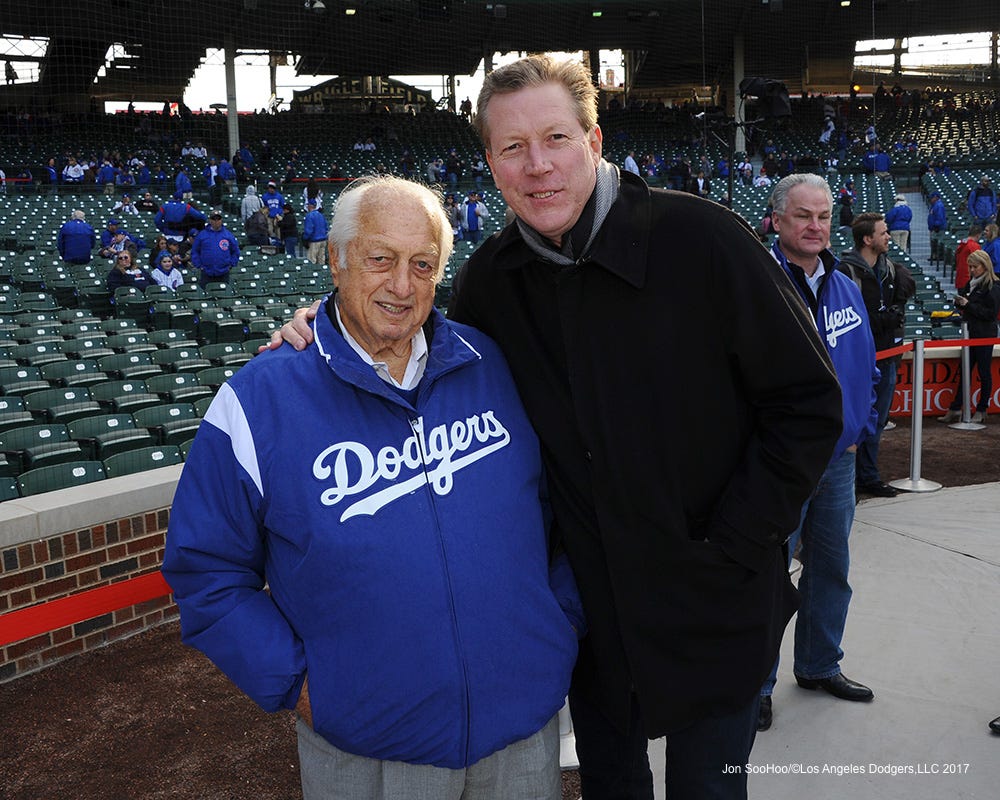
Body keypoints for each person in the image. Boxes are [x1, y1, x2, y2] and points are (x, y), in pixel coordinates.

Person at [267, 54, 843, 800]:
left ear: (594, 142)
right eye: (513, 148)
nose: (537, 166)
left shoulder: (704, 239)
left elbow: (807, 405)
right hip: (591, 625)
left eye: (556, 139)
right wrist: (325, 325)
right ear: (491, 164)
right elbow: (414, 349)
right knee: (613, 788)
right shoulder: (491, 284)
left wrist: (734, 543)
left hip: (716, 604)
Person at [162, 175, 582, 800]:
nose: (402, 285)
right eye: (380, 259)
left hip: (522, 734)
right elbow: (206, 570)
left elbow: (564, 510)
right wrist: (304, 686)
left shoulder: (494, 364)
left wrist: (558, 629)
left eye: (423, 264)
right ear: (336, 258)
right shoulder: (259, 399)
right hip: (368, 750)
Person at [759, 174, 880, 732]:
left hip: (837, 460)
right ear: (778, 220)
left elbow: (866, 364)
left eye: (824, 216)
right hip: (778, 463)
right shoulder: (756, 282)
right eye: (803, 216)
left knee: (831, 569)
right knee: (766, 575)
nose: (816, 227)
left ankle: (818, 664)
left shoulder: (846, 283)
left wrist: (864, 425)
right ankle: (755, 683)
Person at [839, 212, 915, 498]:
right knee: (851, 423)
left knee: (878, 421)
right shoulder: (844, 272)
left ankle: (868, 477)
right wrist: (879, 319)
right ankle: (845, 480)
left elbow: (902, 297)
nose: (888, 236)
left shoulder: (891, 269)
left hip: (886, 358)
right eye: (883, 233)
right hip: (854, 364)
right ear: (867, 239)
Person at [938, 250, 1000, 424]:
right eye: (970, 266)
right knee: (964, 371)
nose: (972, 270)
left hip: (984, 334)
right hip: (970, 333)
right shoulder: (971, 284)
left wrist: (968, 305)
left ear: (984, 265)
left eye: (975, 266)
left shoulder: (993, 287)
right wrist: (959, 303)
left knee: (984, 372)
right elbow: (969, 305)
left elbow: (990, 314)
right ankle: (956, 408)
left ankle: (982, 409)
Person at [190, 211, 240, 286]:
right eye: (214, 219)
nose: (216, 221)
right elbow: (195, 251)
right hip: (206, 272)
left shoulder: (228, 235)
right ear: (210, 220)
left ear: (221, 220)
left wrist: (231, 264)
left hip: (224, 272)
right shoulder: (202, 235)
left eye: (218, 219)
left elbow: (235, 251)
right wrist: (199, 265)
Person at [954, 225, 982, 290]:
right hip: (968, 278)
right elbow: (977, 262)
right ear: (978, 235)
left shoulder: (962, 243)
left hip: (960, 277)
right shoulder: (974, 246)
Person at [301, 200, 328, 265]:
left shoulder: (310, 215)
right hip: (323, 240)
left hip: (314, 241)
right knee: (321, 260)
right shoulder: (321, 215)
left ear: (310, 206)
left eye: (308, 205)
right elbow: (326, 227)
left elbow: (309, 230)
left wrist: (305, 238)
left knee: (312, 260)